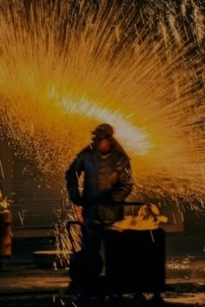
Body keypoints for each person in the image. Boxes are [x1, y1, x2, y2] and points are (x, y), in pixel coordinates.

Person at [65, 123, 134, 296]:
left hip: (112, 216)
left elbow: (127, 183)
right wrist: (75, 195)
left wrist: (113, 199)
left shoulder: (121, 159)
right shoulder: (87, 156)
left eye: (99, 139)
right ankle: (90, 286)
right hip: (91, 213)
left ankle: (116, 286)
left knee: (115, 254)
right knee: (90, 254)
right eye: (95, 139)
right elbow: (71, 173)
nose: (96, 142)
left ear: (109, 140)